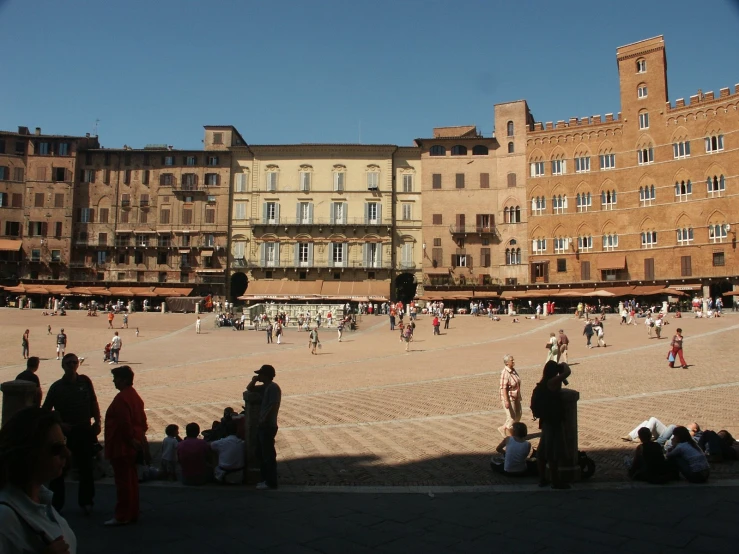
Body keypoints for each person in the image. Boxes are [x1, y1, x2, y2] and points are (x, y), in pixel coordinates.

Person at [0, 408, 77, 554]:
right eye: (56, 448)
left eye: (64, 443)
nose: (66, 453)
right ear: (29, 454)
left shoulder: (42, 500)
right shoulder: (5, 518)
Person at [43, 354, 101, 515]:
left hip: (84, 430)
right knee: (58, 469)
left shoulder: (85, 381)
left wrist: (97, 421)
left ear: (77, 365)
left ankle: (86, 502)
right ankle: (56, 505)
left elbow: (93, 401)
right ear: (63, 365)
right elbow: (46, 411)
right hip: (65, 434)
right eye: (68, 363)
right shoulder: (56, 387)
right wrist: (60, 424)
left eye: (74, 362)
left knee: (86, 469)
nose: (71, 365)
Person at [104, 365, 149, 525]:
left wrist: (130, 439)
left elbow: (124, 423)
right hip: (132, 444)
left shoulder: (122, 398)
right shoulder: (134, 396)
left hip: (121, 445)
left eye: (115, 379)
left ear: (123, 380)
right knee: (131, 481)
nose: (114, 382)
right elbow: (142, 422)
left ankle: (122, 515)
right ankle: (132, 512)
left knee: (123, 482)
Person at [530, 360, 571, 489]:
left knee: (542, 451)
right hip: (553, 421)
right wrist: (564, 365)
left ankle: (542, 478)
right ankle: (555, 481)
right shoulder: (551, 382)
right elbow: (567, 372)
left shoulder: (544, 382)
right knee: (552, 452)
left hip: (546, 420)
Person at [246, 365, 282, 489]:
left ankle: (270, 482)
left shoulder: (273, 388)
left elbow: (273, 404)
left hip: (268, 425)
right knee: (260, 453)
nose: (259, 376)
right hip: (264, 425)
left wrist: (264, 418)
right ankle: (265, 479)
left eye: (260, 374)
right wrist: (254, 380)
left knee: (268, 455)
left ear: (266, 375)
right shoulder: (266, 387)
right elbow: (250, 389)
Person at [499, 355, 522, 437]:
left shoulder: (513, 370)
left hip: (516, 396)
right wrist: (506, 401)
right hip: (509, 398)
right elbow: (503, 388)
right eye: (512, 360)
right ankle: (510, 437)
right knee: (512, 417)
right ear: (507, 362)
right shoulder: (505, 373)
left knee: (518, 415)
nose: (513, 361)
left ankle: (503, 428)